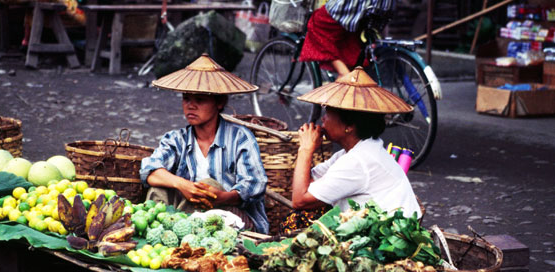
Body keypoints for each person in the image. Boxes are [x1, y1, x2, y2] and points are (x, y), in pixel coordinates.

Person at [139, 54, 270, 234]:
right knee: (158, 189)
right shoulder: (177, 139)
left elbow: (255, 185)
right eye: (186, 98)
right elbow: (150, 170)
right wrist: (183, 185)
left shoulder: (240, 138)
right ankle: (167, 234)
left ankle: (183, 232)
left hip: (234, 218)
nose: (190, 106)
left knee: (210, 184)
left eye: (200, 100)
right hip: (188, 215)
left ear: (220, 102)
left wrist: (222, 197)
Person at [280, 67, 421, 232]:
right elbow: (305, 185)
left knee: (298, 220)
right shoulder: (351, 152)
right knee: (302, 216)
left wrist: (305, 149)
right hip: (377, 226)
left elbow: (299, 199)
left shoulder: (358, 161)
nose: (322, 119)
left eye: (328, 113)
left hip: (391, 234)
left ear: (349, 126)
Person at [300, 0, 396, 75]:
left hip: (360, 5)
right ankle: (347, 74)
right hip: (384, 6)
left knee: (317, 23)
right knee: (349, 35)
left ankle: (345, 75)